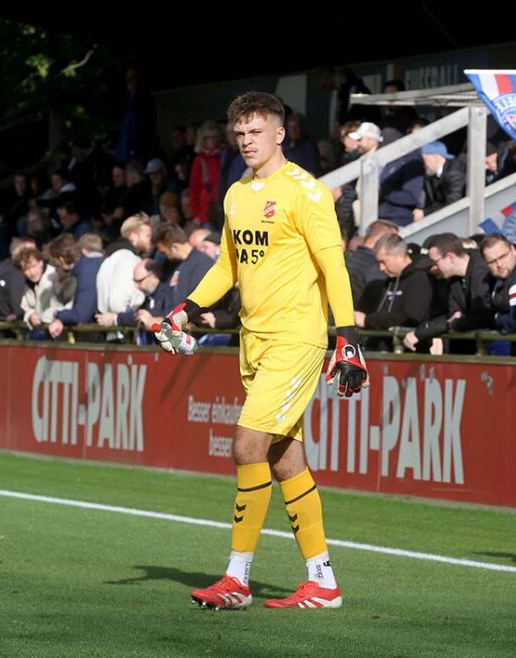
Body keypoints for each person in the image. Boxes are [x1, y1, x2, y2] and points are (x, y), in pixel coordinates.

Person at [154, 92, 367, 610]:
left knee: (246, 447)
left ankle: (237, 578)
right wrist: (185, 307)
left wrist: (347, 335)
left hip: (297, 338)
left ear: (280, 134)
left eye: (256, 131)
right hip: (254, 340)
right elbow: (227, 266)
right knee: (285, 459)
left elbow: (333, 265)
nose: (247, 141)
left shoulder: (307, 193)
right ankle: (323, 581)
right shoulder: (236, 194)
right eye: (240, 133)